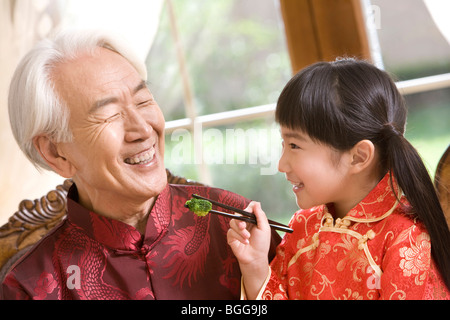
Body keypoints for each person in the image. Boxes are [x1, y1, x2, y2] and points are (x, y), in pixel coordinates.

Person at [1, 29, 280, 300]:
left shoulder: (237, 225)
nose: (143, 130)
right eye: (109, 115)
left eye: (143, 100)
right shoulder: (29, 288)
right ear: (56, 153)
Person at [228, 58, 450, 300]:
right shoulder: (302, 227)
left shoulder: (406, 239)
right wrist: (255, 266)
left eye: (294, 145)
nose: (281, 164)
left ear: (358, 157)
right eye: (284, 144)